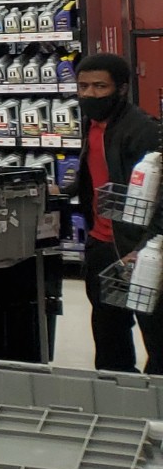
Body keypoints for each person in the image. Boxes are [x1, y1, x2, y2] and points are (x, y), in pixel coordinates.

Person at [75, 52, 163, 373]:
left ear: (122, 88)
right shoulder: (92, 124)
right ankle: (117, 394)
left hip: (137, 249)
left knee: (156, 333)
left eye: (100, 86)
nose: (90, 94)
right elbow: (97, 176)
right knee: (109, 332)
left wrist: (146, 247)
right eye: (83, 86)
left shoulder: (144, 131)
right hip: (102, 245)